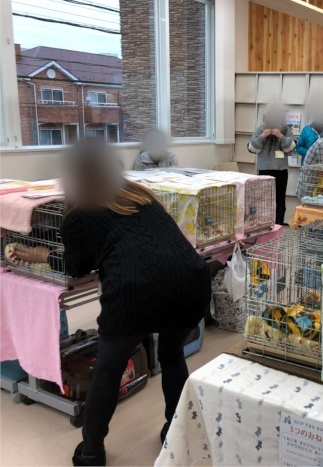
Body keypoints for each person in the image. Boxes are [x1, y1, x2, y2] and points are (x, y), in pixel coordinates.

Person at [14, 139, 211, 466]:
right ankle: (175, 433)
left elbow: (76, 267)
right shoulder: (140, 195)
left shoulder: (81, 213)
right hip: (191, 280)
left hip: (135, 293)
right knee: (172, 355)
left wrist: (43, 255)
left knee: (108, 371)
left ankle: (91, 452)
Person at [249, 101, 295, 225]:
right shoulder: (261, 128)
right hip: (265, 170)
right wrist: (262, 136)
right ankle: (265, 226)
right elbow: (252, 148)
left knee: (280, 200)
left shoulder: (285, 129)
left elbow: (291, 147)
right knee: (264, 199)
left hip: (281, 171)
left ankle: (278, 226)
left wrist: (281, 136)